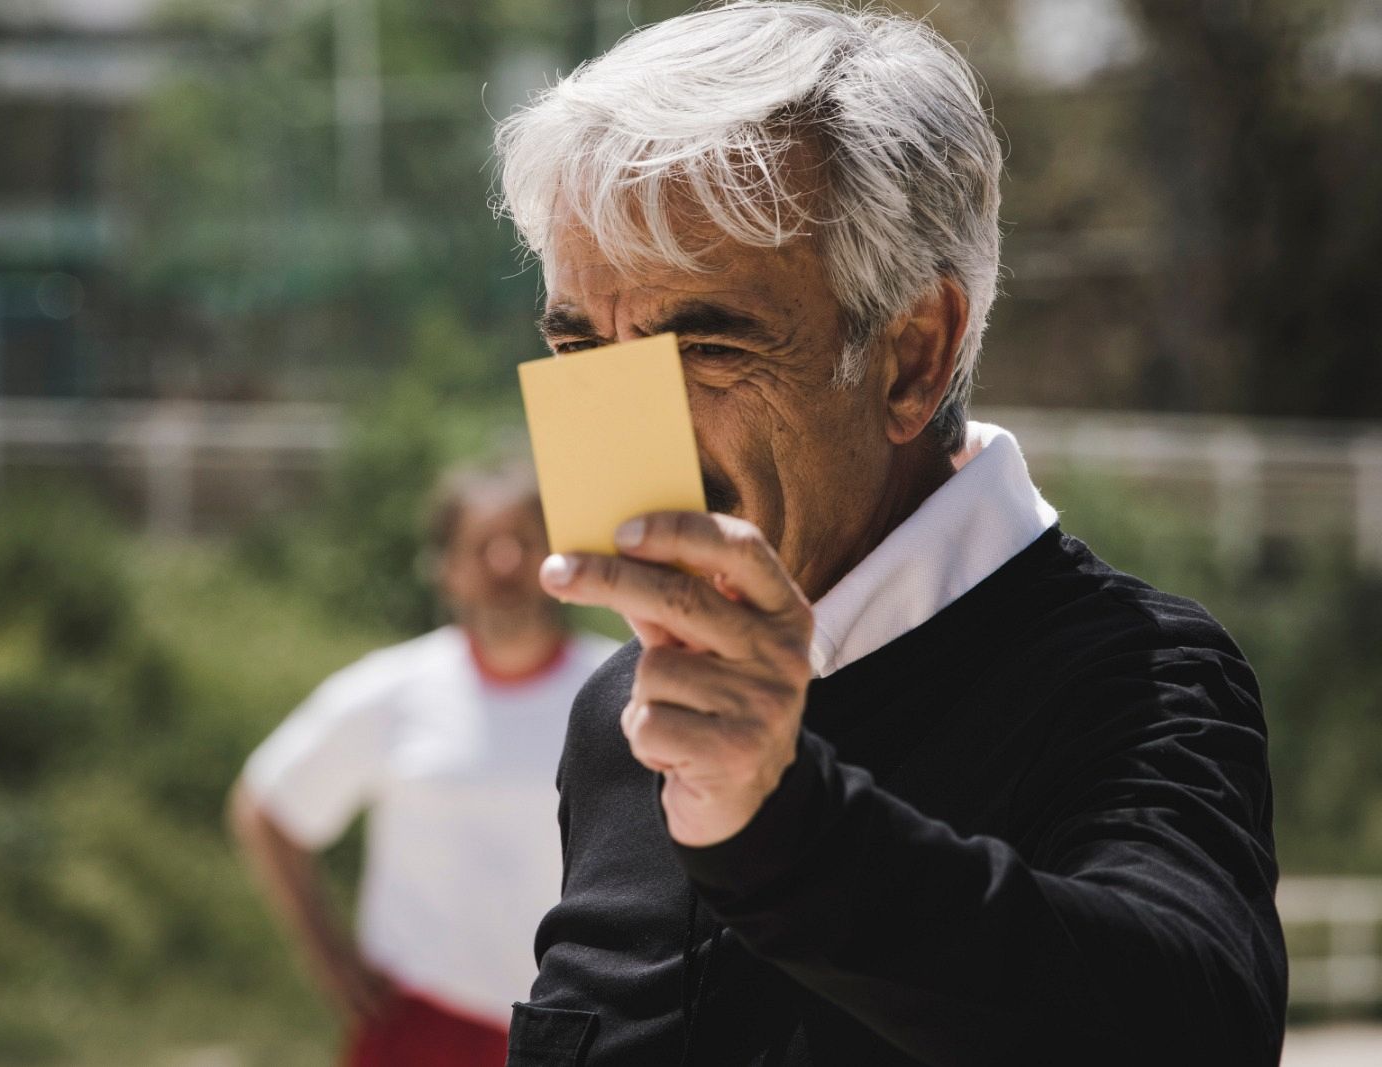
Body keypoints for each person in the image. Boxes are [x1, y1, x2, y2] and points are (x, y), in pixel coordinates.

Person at [490, 3, 1286, 1065]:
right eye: (585, 352)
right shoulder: (621, 711)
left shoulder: (1130, 676)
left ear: (911, 355)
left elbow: (1193, 1029)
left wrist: (780, 819)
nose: (635, 424)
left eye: (707, 347)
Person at [228, 461, 617, 1067]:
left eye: (523, 543)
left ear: (558, 558)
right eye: (483, 546)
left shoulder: (621, 688)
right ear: (447, 569)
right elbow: (266, 807)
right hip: (425, 1025)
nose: (505, 563)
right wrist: (333, 964)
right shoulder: (395, 690)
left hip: (582, 1024)